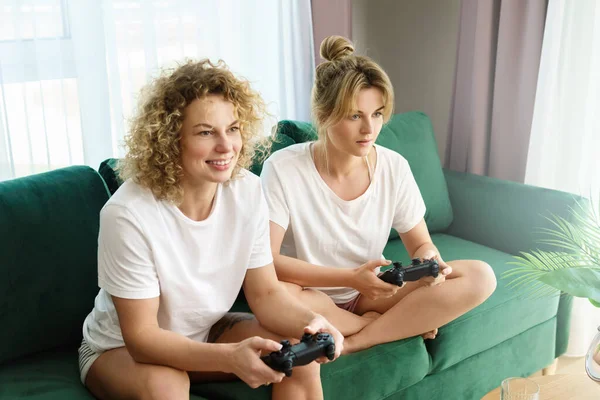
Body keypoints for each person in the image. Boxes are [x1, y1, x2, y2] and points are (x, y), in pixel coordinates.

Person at [78, 59, 343, 400]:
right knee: (168, 387)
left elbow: (265, 294)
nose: (226, 146)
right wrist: (229, 359)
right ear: (170, 139)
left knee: (299, 356)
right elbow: (142, 337)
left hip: (206, 331)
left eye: (232, 129)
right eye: (205, 132)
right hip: (120, 349)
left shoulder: (247, 190)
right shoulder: (128, 214)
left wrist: (313, 322)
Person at [260, 36, 497, 355]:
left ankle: (359, 338)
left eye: (377, 113)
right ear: (324, 113)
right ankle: (388, 325)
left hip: (372, 292)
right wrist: (351, 279)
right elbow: (268, 263)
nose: (369, 129)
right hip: (308, 294)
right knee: (280, 293)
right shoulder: (283, 168)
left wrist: (429, 260)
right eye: (355, 115)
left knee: (480, 276)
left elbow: (421, 243)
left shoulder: (393, 167)